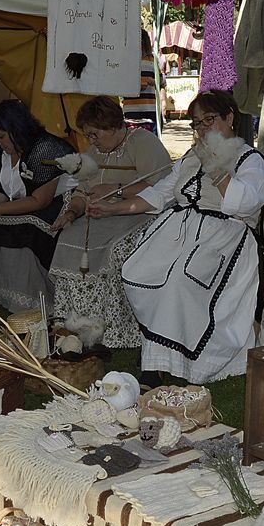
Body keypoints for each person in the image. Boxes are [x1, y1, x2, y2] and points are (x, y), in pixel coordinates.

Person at [91, 90, 264, 384]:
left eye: (209, 120)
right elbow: (161, 193)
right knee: (138, 271)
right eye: (197, 123)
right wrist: (112, 208)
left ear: (229, 118)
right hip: (184, 232)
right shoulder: (190, 157)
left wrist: (215, 167)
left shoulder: (249, 159)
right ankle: (161, 355)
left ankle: (171, 365)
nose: (202, 129)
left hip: (225, 238)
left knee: (177, 283)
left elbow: (246, 203)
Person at [49, 96, 171, 348]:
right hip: (104, 215)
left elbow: (159, 184)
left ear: (114, 127)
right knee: (68, 238)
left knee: (113, 249)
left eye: (94, 135)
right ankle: (76, 325)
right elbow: (83, 191)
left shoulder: (142, 142)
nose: (91, 141)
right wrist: (71, 213)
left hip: (139, 215)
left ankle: (114, 327)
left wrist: (116, 190)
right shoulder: (95, 152)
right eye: (88, 135)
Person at [0, 99, 76, 310]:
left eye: (1, 136)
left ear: (15, 128)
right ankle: (10, 297)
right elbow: (2, 192)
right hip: (29, 203)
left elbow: (40, 200)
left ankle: (36, 301)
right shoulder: (5, 153)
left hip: (60, 206)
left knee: (19, 226)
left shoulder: (45, 148)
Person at [123, 30, 162, 134]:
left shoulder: (152, 60)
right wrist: (135, 85)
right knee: (131, 140)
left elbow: (162, 81)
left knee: (151, 140)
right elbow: (121, 83)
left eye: (141, 40)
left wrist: (152, 81)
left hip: (150, 108)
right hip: (131, 109)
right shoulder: (126, 60)